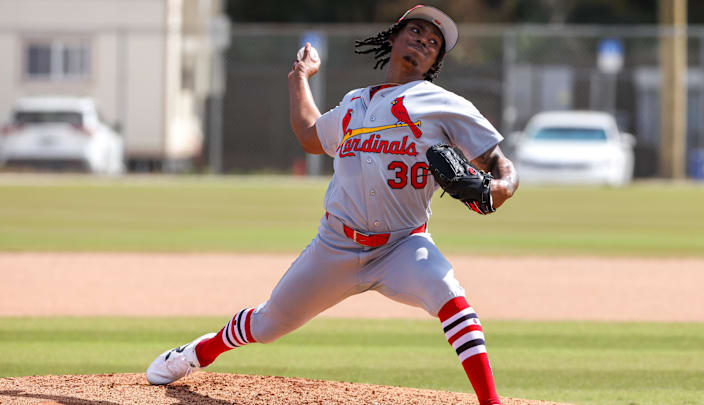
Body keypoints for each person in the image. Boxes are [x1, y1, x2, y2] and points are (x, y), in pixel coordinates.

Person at [146, 5, 518, 405]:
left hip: (403, 246)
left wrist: (501, 186)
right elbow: (310, 135)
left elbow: (499, 164)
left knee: (452, 298)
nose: (422, 42)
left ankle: (490, 402)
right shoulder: (356, 103)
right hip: (336, 246)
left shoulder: (445, 105)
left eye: (433, 43)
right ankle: (195, 354)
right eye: (415, 32)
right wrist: (300, 78)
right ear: (393, 37)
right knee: (268, 322)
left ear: (435, 61)